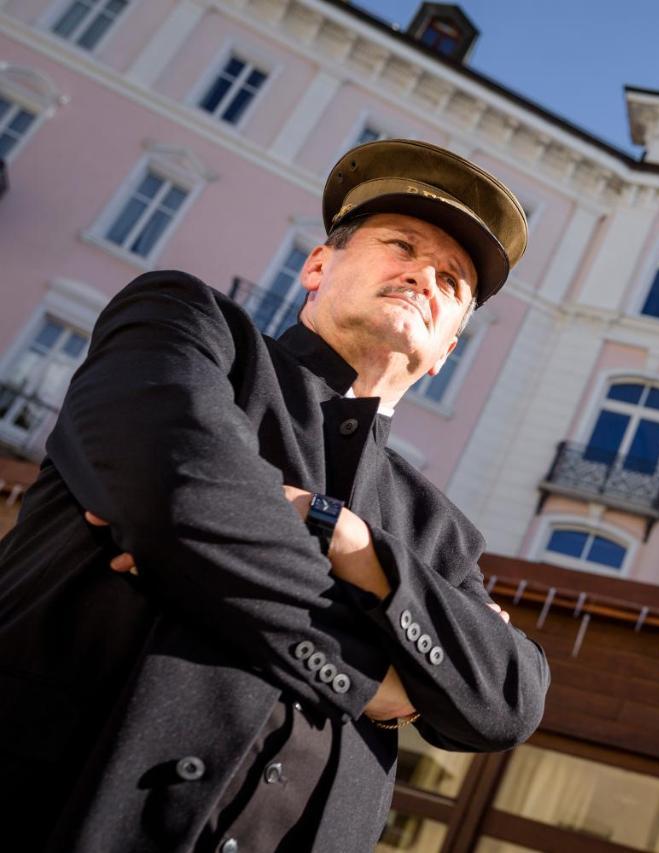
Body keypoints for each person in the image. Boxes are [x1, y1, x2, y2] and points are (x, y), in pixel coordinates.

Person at [0, 140, 550, 852]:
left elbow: (508, 699)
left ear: (447, 349)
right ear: (318, 265)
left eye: (451, 281)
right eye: (401, 245)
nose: (424, 274)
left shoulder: (439, 532)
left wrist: (348, 539)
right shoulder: (190, 327)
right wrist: (378, 677)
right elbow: (175, 493)